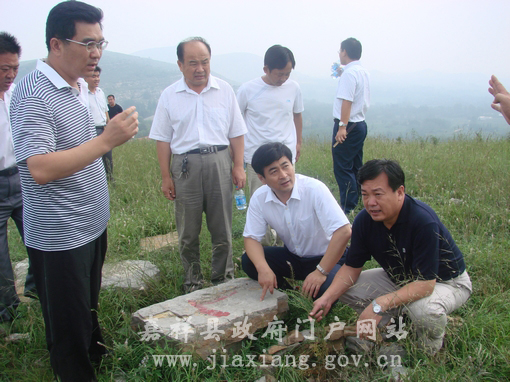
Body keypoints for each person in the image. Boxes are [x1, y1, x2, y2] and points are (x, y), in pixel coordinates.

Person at [10, 2, 138, 381]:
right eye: (87, 43)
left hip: (90, 224)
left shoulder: (77, 85)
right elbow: (40, 168)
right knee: (66, 325)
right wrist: (106, 141)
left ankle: (95, 359)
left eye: (101, 43)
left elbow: (75, 147)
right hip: (60, 234)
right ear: (56, 44)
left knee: (87, 306)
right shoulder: (32, 93)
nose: (96, 53)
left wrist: (106, 139)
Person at [310, 159, 472, 355]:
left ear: (400, 192)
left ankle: (429, 351)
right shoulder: (364, 220)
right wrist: (327, 298)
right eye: (365, 195)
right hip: (398, 278)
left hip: (445, 282)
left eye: (378, 194)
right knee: (341, 287)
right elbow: (351, 267)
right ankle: (392, 327)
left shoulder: (422, 221)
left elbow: (425, 284)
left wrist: (379, 304)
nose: (371, 203)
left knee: (423, 311)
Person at [149, 37, 246, 294]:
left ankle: (223, 280)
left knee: (222, 228)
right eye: (192, 63)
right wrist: (165, 177)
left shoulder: (224, 90)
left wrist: (238, 166)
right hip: (185, 166)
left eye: (204, 62)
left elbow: (236, 132)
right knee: (188, 232)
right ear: (180, 65)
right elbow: (163, 139)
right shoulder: (170, 95)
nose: (200, 68)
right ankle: (193, 282)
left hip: (219, 162)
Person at [242, 143, 351, 301]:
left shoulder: (314, 189)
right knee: (249, 262)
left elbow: (344, 231)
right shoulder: (260, 198)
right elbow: (251, 238)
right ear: (262, 178)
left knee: (322, 292)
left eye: (286, 166)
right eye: (274, 171)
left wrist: (320, 272)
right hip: (293, 257)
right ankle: (290, 296)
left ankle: (313, 289)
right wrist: (263, 269)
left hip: (328, 258)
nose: (283, 175)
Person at [237, 45, 304, 246]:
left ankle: (287, 248)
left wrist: (298, 142)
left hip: (285, 158)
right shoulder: (247, 90)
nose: (283, 78)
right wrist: (237, 158)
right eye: (279, 74)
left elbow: (297, 114)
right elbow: (235, 122)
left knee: (288, 203)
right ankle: (264, 250)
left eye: (287, 73)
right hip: (257, 159)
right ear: (266, 69)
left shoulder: (294, 87)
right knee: (260, 205)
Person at [0, 32, 36, 324]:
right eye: (4, 69)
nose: (10, 75)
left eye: (14, 68)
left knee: (38, 237)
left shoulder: (16, 95)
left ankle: (37, 292)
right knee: (0, 256)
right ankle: (9, 311)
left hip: (22, 177)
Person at [332, 37, 370, 215]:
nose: (339, 54)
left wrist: (342, 127)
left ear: (345, 52)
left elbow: (347, 101)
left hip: (349, 125)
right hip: (360, 124)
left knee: (342, 167)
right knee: (356, 166)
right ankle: (362, 201)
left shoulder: (349, 73)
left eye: (340, 51)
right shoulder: (361, 71)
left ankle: (348, 207)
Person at [85, 65, 113, 181]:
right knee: (96, 161)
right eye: (93, 76)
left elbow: (105, 111)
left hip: (104, 128)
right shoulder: (83, 95)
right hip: (92, 130)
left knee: (108, 159)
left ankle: (110, 181)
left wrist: (109, 125)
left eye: (98, 76)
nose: (96, 79)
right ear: (86, 78)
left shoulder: (100, 92)